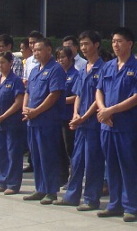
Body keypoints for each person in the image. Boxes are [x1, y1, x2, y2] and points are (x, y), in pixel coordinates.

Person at [96, 28, 137, 221]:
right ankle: (114, 204)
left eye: (119, 41)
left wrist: (111, 110)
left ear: (130, 44)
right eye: (113, 41)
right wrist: (103, 110)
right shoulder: (107, 67)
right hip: (107, 125)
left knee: (129, 166)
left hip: (127, 126)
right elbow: (99, 90)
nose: (115, 45)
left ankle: (131, 206)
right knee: (111, 166)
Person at [60, 30, 106, 210]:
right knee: (77, 160)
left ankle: (91, 199)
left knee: (93, 161)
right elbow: (78, 94)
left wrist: (85, 116)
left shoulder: (103, 68)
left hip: (94, 123)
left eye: (87, 44)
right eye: (82, 44)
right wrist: (75, 114)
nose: (84, 48)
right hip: (80, 124)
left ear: (96, 45)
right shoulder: (83, 69)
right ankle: (72, 195)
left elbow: (99, 97)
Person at [22, 38, 66, 204]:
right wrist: (25, 108)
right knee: (36, 156)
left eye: (39, 50)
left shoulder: (56, 69)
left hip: (48, 121)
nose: (36, 53)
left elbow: (54, 94)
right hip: (32, 121)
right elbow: (28, 91)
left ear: (49, 50)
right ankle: (40, 188)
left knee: (48, 156)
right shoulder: (34, 70)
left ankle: (51, 190)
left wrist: (36, 111)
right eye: (34, 50)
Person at [0, 52, 26, 194]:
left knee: (13, 153)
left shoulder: (15, 80)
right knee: (1, 153)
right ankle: (2, 181)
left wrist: (4, 116)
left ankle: (13, 184)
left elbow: (19, 101)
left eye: (3, 62)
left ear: (10, 63)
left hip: (12, 123)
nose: (0, 65)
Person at [55, 46, 79, 186]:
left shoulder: (75, 75)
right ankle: (62, 176)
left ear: (70, 58)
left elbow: (77, 96)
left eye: (63, 57)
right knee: (59, 149)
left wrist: (59, 100)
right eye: (58, 57)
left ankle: (73, 177)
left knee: (70, 148)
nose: (60, 60)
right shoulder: (58, 74)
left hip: (69, 116)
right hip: (57, 116)